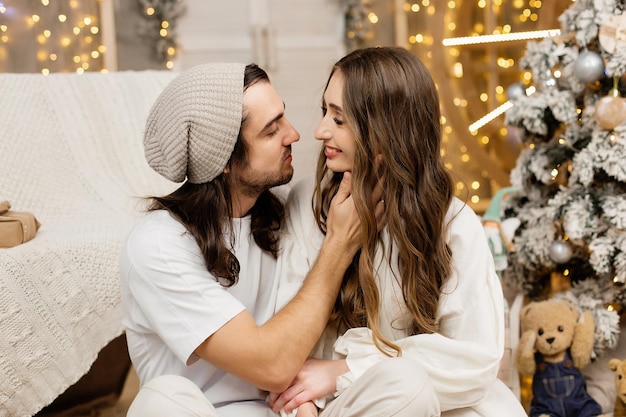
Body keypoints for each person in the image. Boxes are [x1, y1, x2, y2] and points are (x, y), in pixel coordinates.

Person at [271, 47, 528, 416]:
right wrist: (304, 404)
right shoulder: (305, 205)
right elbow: (290, 337)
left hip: (422, 399)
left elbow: (474, 360)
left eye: (339, 120)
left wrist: (347, 368)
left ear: (386, 131)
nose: (319, 130)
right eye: (325, 112)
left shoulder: (453, 225)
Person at [119, 62, 370, 417]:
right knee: (160, 400)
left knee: (401, 383)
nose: (295, 134)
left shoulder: (291, 214)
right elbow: (271, 365)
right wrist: (338, 246)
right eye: (271, 131)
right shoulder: (159, 246)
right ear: (223, 160)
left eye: (283, 117)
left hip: (288, 411)